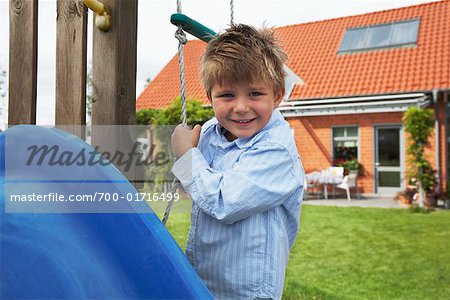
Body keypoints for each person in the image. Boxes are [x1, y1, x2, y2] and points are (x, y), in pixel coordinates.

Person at [171, 24, 304, 300]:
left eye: (255, 94)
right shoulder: (209, 132)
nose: (241, 107)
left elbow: (223, 200)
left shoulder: (276, 149)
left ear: (277, 95)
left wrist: (187, 158)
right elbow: (197, 187)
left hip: (248, 291)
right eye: (227, 95)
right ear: (210, 98)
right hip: (203, 278)